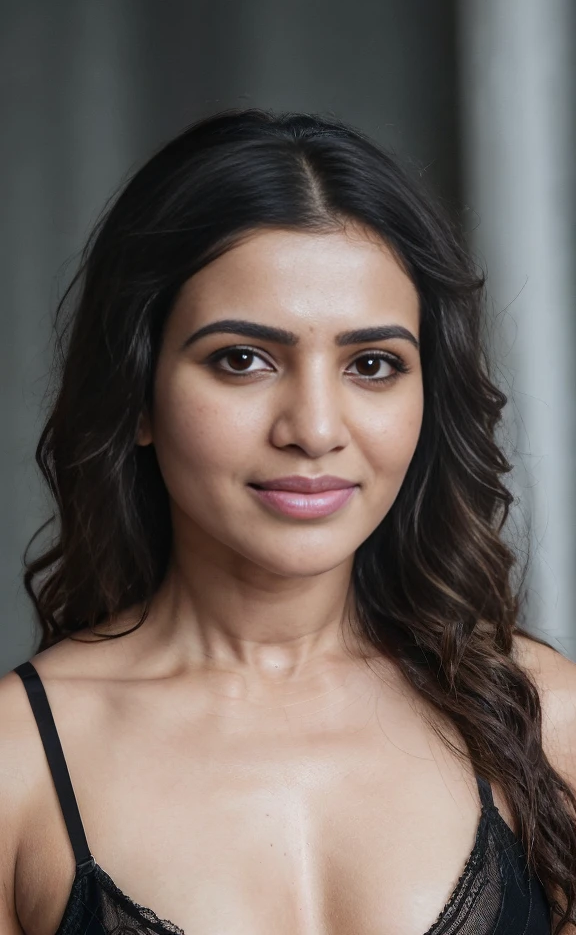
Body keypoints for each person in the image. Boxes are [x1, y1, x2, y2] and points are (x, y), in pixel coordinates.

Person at [0, 109, 574, 935]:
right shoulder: (19, 767)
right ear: (138, 393)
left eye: (372, 365)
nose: (313, 427)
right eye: (243, 359)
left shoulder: (545, 726)